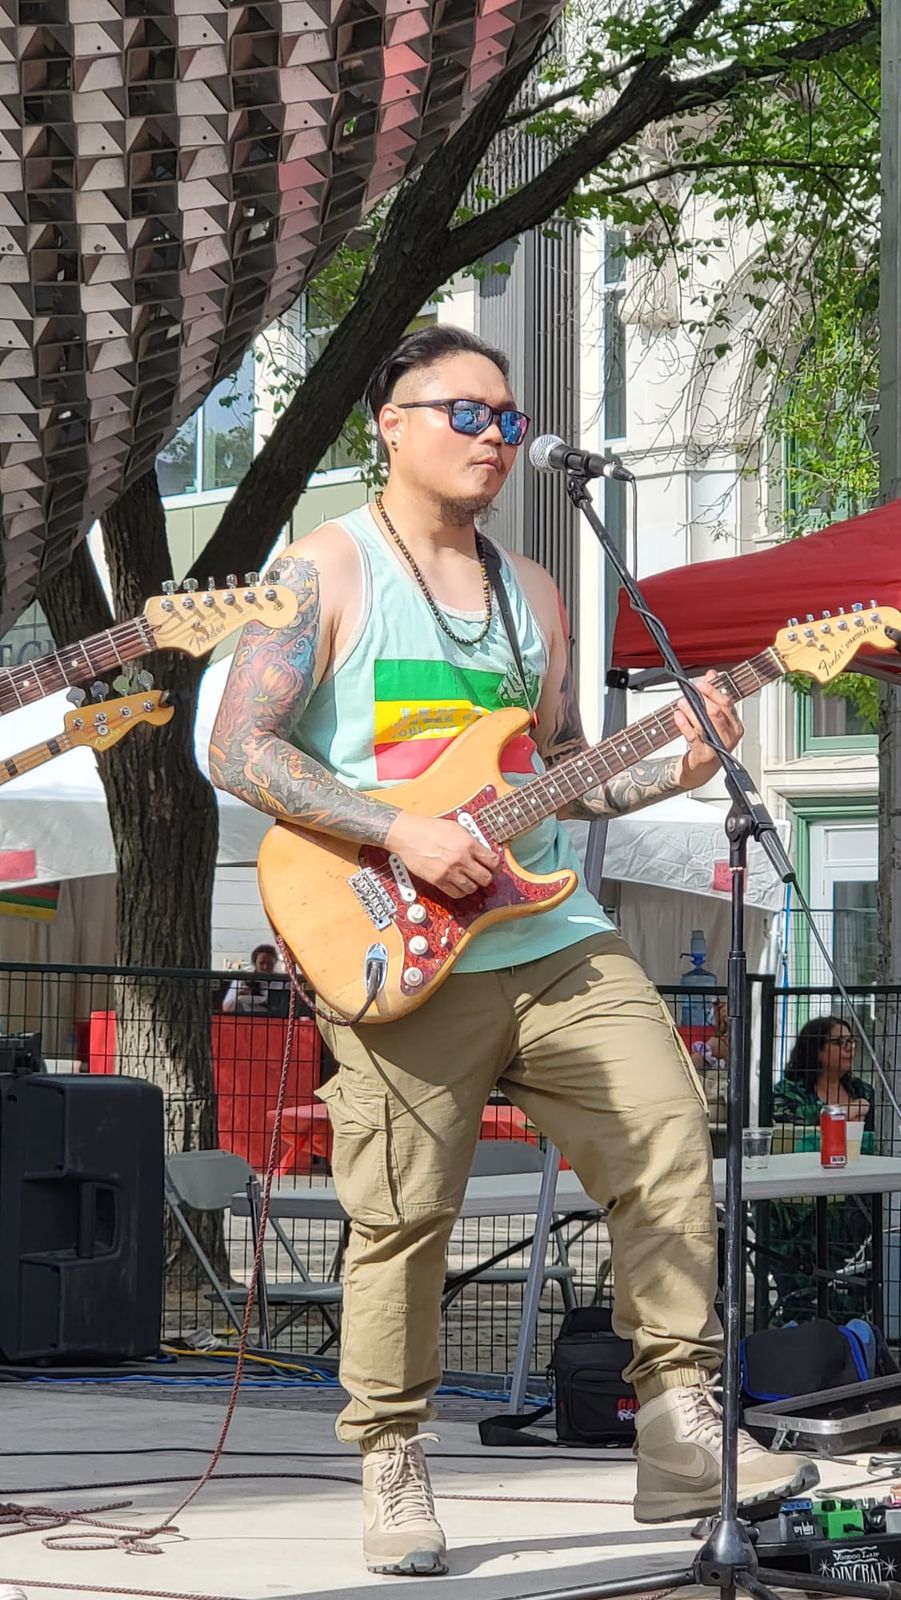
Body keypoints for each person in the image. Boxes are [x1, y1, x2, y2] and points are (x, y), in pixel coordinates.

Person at [209, 325, 814, 1576]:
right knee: (403, 1216)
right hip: (393, 936)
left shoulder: (534, 589)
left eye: (508, 417)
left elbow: (562, 775)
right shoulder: (320, 570)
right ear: (391, 421)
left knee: (667, 1135)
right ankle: (393, 1455)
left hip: (549, 932)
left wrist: (673, 764)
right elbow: (238, 749)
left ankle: (677, 1422)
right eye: (468, 413)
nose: (496, 436)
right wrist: (399, 832)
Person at [768, 1015, 874, 1320]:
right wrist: (843, 1112)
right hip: (800, 1198)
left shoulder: (863, 1091)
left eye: (851, 1041)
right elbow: (785, 1116)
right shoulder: (789, 1091)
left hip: (853, 1190)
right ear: (816, 1049)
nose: (849, 1048)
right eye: (839, 1042)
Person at [221, 944, 286, 1015]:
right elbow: (226, 1008)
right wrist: (238, 996)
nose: (265, 967)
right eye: (261, 963)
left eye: (270, 963)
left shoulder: (283, 982)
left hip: (275, 1019)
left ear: (275, 963)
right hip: (248, 1018)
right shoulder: (242, 980)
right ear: (254, 963)